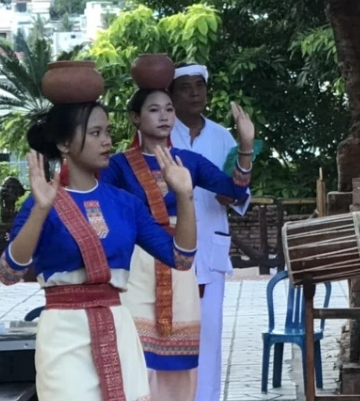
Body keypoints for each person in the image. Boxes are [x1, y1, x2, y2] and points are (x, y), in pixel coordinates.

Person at [0, 75, 198, 401]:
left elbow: (181, 258)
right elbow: (8, 273)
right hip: (64, 335)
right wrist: (40, 211)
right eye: (95, 133)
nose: (107, 141)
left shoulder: (125, 204)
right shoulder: (42, 201)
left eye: (107, 132)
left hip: (118, 325)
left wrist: (185, 196)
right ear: (64, 144)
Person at [102, 79, 254, 400]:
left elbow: (235, 190)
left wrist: (245, 145)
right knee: (135, 354)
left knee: (179, 362)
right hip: (136, 264)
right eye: (154, 110)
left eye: (168, 109)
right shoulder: (118, 165)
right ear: (135, 118)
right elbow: (103, 209)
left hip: (180, 264)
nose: (164, 116)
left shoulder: (189, 161)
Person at [167, 63, 255, 401]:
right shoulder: (161, 132)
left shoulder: (222, 137)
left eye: (200, 86)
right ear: (172, 95)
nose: (194, 93)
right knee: (171, 335)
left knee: (209, 337)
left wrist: (232, 194)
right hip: (169, 248)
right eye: (186, 87)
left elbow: (240, 192)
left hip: (211, 248)